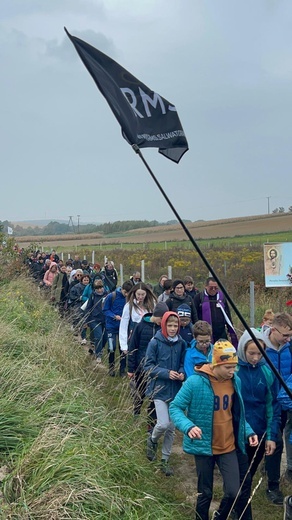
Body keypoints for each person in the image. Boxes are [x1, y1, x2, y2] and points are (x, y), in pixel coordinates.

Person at [169, 339, 258, 520]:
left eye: (234, 367)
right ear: (216, 363)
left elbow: (236, 414)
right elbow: (175, 407)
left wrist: (248, 431)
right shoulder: (195, 382)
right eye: (228, 367)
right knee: (205, 493)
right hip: (204, 447)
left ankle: (220, 515)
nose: (232, 371)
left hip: (228, 446)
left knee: (234, 492)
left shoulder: (235, 382)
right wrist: (189, 426)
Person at [144, 311, 186, 476]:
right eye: (170, 325)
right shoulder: (155, 342)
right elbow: (148, 367)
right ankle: (152, 440)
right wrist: (165, 373)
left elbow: (183, 363)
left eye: (175, 325)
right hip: (159, 389)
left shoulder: (181, 343)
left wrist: (182, 373)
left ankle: (165, 460)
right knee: (162, 424)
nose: (173, 328)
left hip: (175, 390)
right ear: (163, 325)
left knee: (171, 428)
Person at [237, 328, 280, 480]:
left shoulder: (267, 371)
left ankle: (242, 499)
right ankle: (239, 502)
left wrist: (270, 436)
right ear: (243, 349)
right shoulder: (233, 370)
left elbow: (273, 406)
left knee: (250, 473)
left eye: (260, 353)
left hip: (260, 432)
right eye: (251, 353)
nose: (256, 358)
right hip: (237, 433)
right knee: (240, 476)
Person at [262, 312, 292, 503]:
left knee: (287, 434)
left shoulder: (289, 347)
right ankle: (272, 485)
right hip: (268, 402)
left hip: (287, 400)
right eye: (285, 335)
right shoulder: (261, 347)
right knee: (274, 440)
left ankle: (289, 468)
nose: (288, 339)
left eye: (290, 335)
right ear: (274, 330)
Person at [128, 301, 168, 427]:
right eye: (161, 318)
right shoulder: (140, 326)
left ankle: (151, 424)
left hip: (157, 369)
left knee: (154, 397)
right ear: (156, 315)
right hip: (141, 368)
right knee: (139, 393)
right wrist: (131, 368)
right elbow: (132, 347)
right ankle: (136, 415)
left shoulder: (163, 329)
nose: (163, 321)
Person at [193, 277, 238, 347]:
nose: (213, 290)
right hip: (205, 333)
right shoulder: (199, 298)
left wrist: (230, 328)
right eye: (211, 288)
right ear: (206, 286)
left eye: (216, 288)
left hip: (221, 332)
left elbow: (227, 313)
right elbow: (194, 315)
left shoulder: (222, 297)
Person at [102, 281, 132, 376]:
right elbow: (105, 310)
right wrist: (114, 316)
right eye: (125, 292)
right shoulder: (112, 296)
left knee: (123, 348)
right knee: (112, 347)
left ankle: (122, 370)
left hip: (123, 328)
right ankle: (111, 368)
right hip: (111, 326)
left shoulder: (130, 299)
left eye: (129, 293)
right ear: (122, 289)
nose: (127, 295)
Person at [119, 283, 157, 354]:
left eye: (143, 294)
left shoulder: (152, 304)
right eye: (138, 294)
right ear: (134, 293)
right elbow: (123, 325)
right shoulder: (129, 306)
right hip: (134, 336)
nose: (140, 297)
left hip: (148, 335)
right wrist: (123, 345)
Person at [86, 279, 108, 363]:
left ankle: (99, 349)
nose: (99, 290)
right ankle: (98, 355)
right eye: (97, 288)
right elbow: (88, 308)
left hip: (105, 319)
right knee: (98, 336)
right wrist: (87, 320)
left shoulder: (107, 295)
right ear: (94, 288)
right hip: (95, 319)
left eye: (100, 287)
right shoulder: (93, 295)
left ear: (103, 287)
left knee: (105, 338)